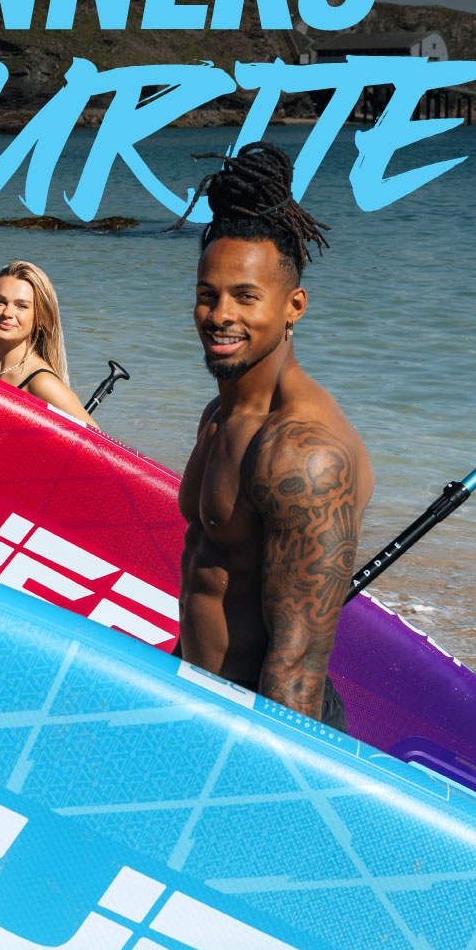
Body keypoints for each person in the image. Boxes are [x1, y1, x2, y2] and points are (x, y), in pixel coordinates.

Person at [175, 143, 373, 730]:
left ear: (294, 307)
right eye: (207, 294)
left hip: (270, 728)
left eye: (246, 297)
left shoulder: (304, 453)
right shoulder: (221, 411)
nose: (219, 315)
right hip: (208, 705)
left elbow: (297, 672)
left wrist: (268, 804)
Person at [0, 260, 96, 426]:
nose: (7, 312)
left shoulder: (42, 383)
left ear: (40, 318)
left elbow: (101, 449)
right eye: (0, 301)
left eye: (21, 306)